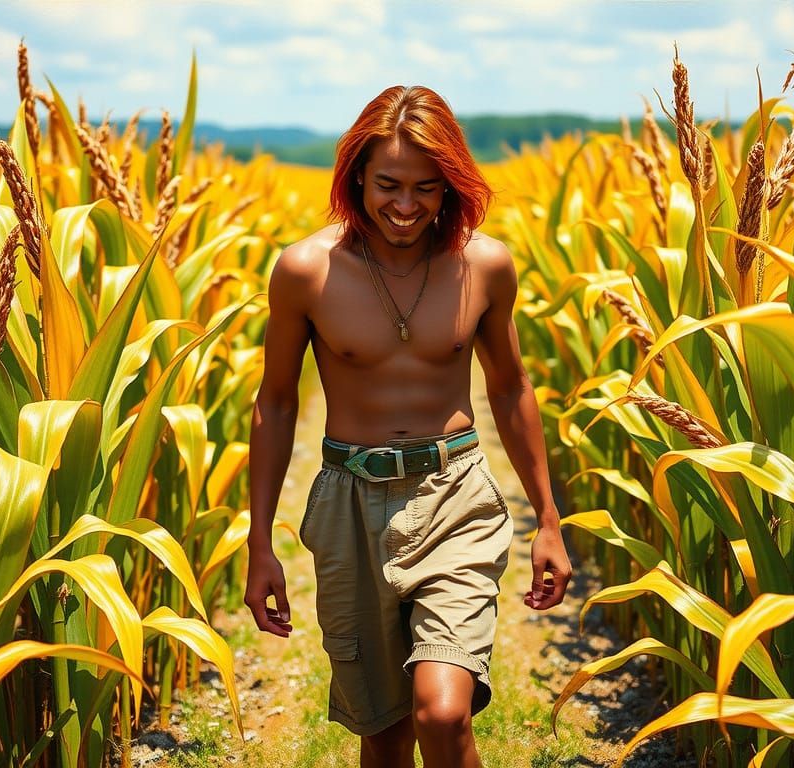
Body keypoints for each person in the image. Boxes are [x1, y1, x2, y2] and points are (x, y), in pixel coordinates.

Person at [245, 85, 572, 768]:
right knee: (385, 731)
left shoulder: (484, 265)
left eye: (427, 188)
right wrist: (259, 545)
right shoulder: (306, 271)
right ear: (356, 175)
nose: (405, 205)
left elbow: (510, 388)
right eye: (388, 183)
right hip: (348, 505)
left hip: (455, 496)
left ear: (450, 187)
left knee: (442, 714)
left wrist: (548, 519)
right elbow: (275, 404)